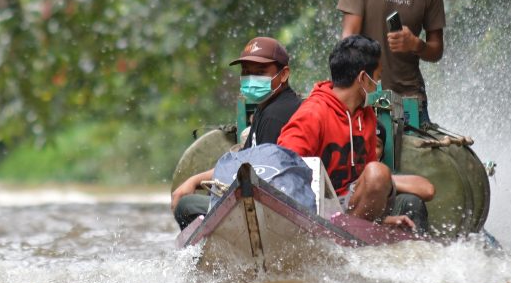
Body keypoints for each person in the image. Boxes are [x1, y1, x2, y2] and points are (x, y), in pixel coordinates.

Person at [276, 35, 434, 231]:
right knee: (378, 173)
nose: (378, 84)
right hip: (315, 208)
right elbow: (283, 170)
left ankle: (356, 231)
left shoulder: (366, 117)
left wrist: (381, 221)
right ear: (362, 78)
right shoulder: (312, 114)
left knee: (378, 173)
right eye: (376, 77)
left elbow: (365, 182)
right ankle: (346, 233)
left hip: (349, 210)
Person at [171, 36, 301, 229]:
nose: (251, 79)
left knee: (186, 206)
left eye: (261, 72)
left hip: (272, 211)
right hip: (263, 203)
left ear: (283, 75)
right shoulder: (266, 109)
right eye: (246, 72)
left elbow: (269, 176)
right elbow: (241, 164)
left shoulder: (275, 116)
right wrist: (196, 180)